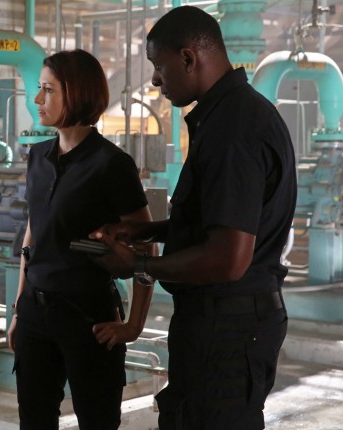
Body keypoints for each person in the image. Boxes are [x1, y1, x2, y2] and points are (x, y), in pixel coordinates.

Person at [90, 6, 296, 430]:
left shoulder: (233, 129)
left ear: (188, 58)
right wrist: (147, 230)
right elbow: (222, 221)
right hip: (224, 322)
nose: (155, 80)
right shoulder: (231, 115)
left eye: (158, 66)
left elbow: (228, 259)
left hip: (227, 328)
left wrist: (139, 264)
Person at [7, 49, 155, 430]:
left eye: (48, 90)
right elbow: (33, 233)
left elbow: (146, 244)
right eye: (39, 88)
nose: (37, 99)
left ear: (76, 94)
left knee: (97, 422)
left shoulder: (111, 165)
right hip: (36, 314)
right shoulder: (37, 157)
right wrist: (20, 308)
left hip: (88, 318)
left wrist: (134, 325)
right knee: (34, 422)